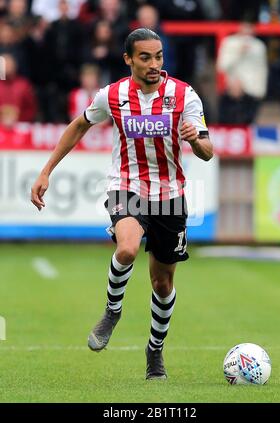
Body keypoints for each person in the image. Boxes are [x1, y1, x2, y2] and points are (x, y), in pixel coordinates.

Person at [31, 28, 213, 380]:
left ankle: (154, 352)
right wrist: (46, 170)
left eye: (158, 56)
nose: (154, 64)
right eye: (145, 57)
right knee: (127, 248)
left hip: (170, 195)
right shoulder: (112, 95)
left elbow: (207, 150)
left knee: (162, 284)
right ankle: (112, 312)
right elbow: (79, 125)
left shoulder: (184, 95)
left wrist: (195, 141)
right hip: (126, 185)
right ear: (128, 59)